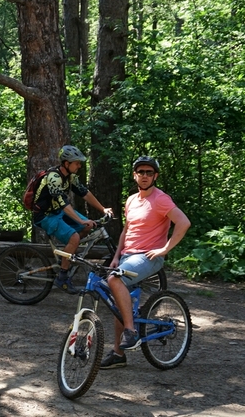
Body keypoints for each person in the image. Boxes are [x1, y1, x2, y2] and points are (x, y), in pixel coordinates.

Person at [100, 156, 190, 369]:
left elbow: (184, 222)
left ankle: (130, 332)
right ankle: (118, 353)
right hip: (127, 256)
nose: (145, 176)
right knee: (119, 304)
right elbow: (126, 231)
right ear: (135, 175)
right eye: (141, 172)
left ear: (155, 176)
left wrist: (165, 249)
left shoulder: (161, 199)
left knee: (113, 280)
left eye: (149, 173)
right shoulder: (131, 200)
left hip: (148, 257)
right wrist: (115, 257)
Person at [31, 145, 113, 293]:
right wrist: (80, 221)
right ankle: (62, 276)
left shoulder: (71, 177)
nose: (79, 166)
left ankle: (67, 254)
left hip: (58, 211)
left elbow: (85, 193)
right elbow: (63, 203)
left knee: (88, 227)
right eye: (77, 163)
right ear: (66, 163)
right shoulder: (54, 178)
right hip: (45, 215)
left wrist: (103, 209)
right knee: (75, 236)